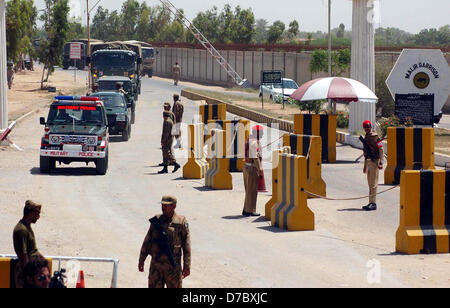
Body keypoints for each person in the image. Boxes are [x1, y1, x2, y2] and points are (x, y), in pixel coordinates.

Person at [138, 195, 191, 288]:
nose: (163, 208)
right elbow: (147, 241)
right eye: (162, 205)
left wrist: (187, 266)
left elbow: (186, 245)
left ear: (174, 206)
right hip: (156, 267)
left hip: (173, 268)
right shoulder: (156, 221)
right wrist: (141, 260)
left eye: (166, 206)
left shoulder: (180, 222)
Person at [12, 200, 44, 288]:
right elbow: (23, 256)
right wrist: (29, 276)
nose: (38, 217)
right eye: (37, 214)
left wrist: (44, 262)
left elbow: (33, 250)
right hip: (26, 273)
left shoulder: (27, 227)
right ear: (31, 214)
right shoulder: (21, 230)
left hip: (32, 271)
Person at [362, 120, 384, 211]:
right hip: (368, 161)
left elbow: (381, 149)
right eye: (365, 127)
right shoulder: (366, 137)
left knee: (373, 184)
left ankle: (373, 203)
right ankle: (370, 202)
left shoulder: (375, 136)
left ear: (371, 127)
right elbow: (365, 152)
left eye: (368, 127)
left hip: (374, 161)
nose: (367, 128)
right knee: (370, 184)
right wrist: (364, 166)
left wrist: (381, 162)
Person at [242, 125, 264, 217]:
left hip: (247, 167)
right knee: (252, 191)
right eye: (261, 133)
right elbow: (255, 157)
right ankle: (250, 210)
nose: (263, 134)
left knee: (249, 191)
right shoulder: (254, 142)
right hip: (252, 168)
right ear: (257, 133)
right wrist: (259, 169)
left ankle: (246, 209)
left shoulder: (250, 140)